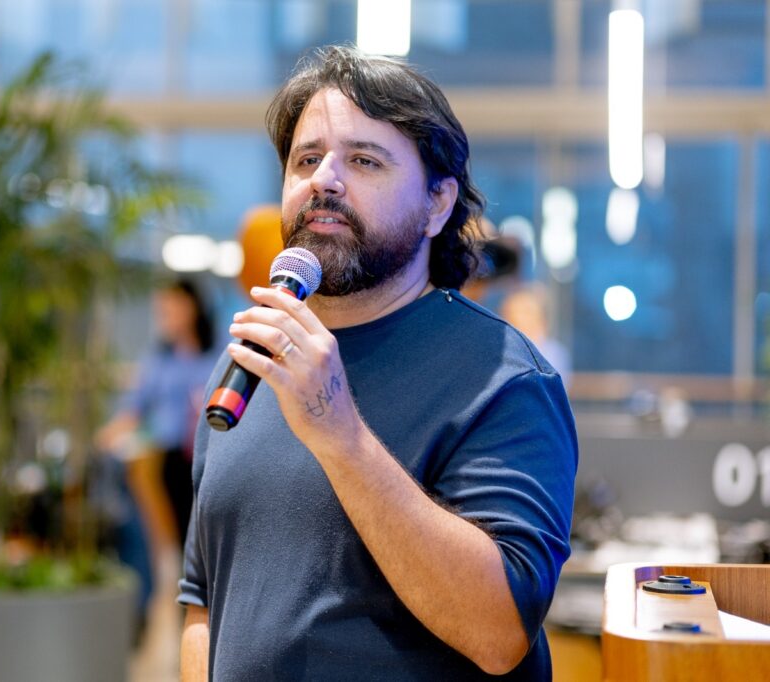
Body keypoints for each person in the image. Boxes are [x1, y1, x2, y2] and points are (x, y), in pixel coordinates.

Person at [178, 45, 577, 680]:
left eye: (364, 160)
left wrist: (340, 433)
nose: (324, 179)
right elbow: (204, 605)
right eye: (307, 159)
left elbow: (500, 632)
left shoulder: (503, 376)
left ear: (438, 205)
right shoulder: (248, 370)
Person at [97, 278, 219, 547]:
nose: (163, 317)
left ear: (190, 307)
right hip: (167, 457)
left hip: (209, 455)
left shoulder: (219, 354)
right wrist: (107, 436)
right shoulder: (158, 360)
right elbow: (134, 408)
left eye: (168, 309)